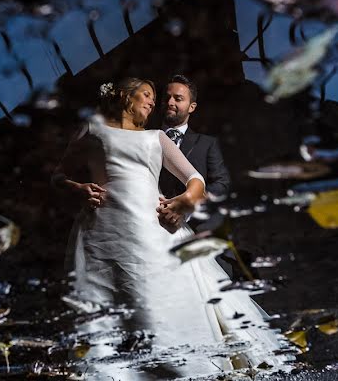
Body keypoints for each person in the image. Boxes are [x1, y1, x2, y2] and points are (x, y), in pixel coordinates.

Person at [52, 77, 294, 378]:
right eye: (147, 95)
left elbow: (196, 179)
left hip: (150, 225)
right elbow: (58, 175)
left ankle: (178, 365)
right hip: (102, 228)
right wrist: (78, 188)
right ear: (125, 96)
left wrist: (185, 201)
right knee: (102, 301)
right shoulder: (92, 130)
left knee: (155, 293)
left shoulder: (156, 137)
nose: (153, 102)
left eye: (154, 98)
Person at [157, 74, 239, 279]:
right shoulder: (147, 140)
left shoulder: (207, 143)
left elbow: (222, 183)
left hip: (204, 233)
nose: (170, 102)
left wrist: (189, 205)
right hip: (158, 231)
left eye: (178, 98)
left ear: (192, 106)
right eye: (167, 97)